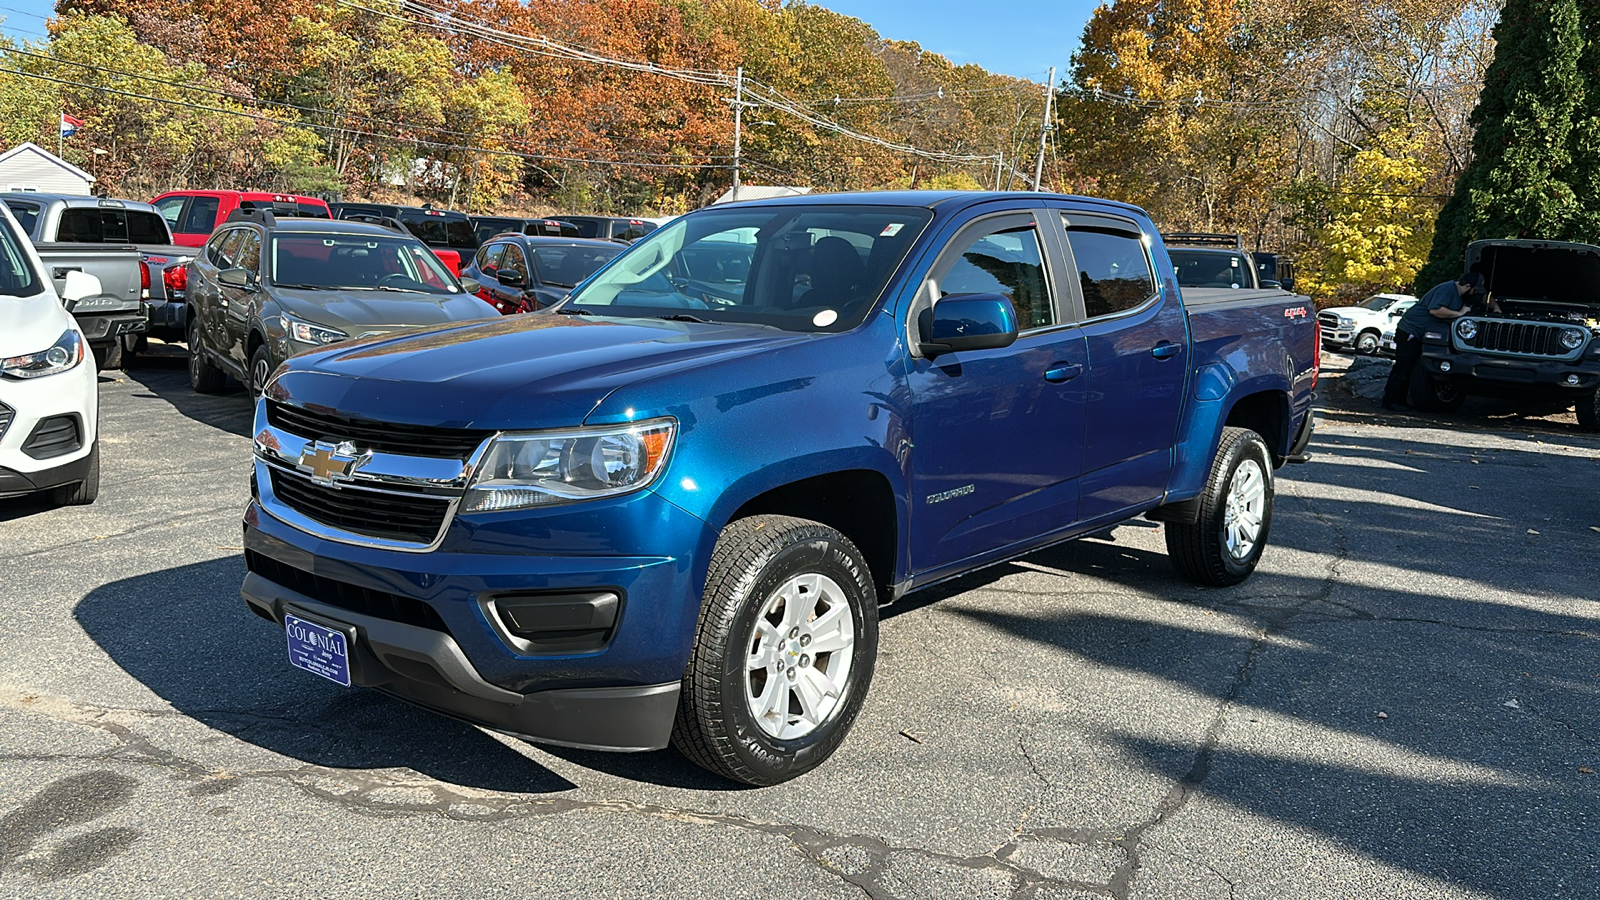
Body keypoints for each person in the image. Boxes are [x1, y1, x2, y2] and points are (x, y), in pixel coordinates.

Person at [1382, 271, 1488, 411]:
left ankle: (1400, 401)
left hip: (1420, 332)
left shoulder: (1461, 294)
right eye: (1474, 290)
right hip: (1411, 330)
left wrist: (1496, 308)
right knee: (1403, 367)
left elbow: (1485, 298)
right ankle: (1391, 401)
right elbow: (1435, 310)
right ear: (1467, 286)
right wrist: (1460, 314)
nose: (1475, 293)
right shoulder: (1447, 289)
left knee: (1413, 367)